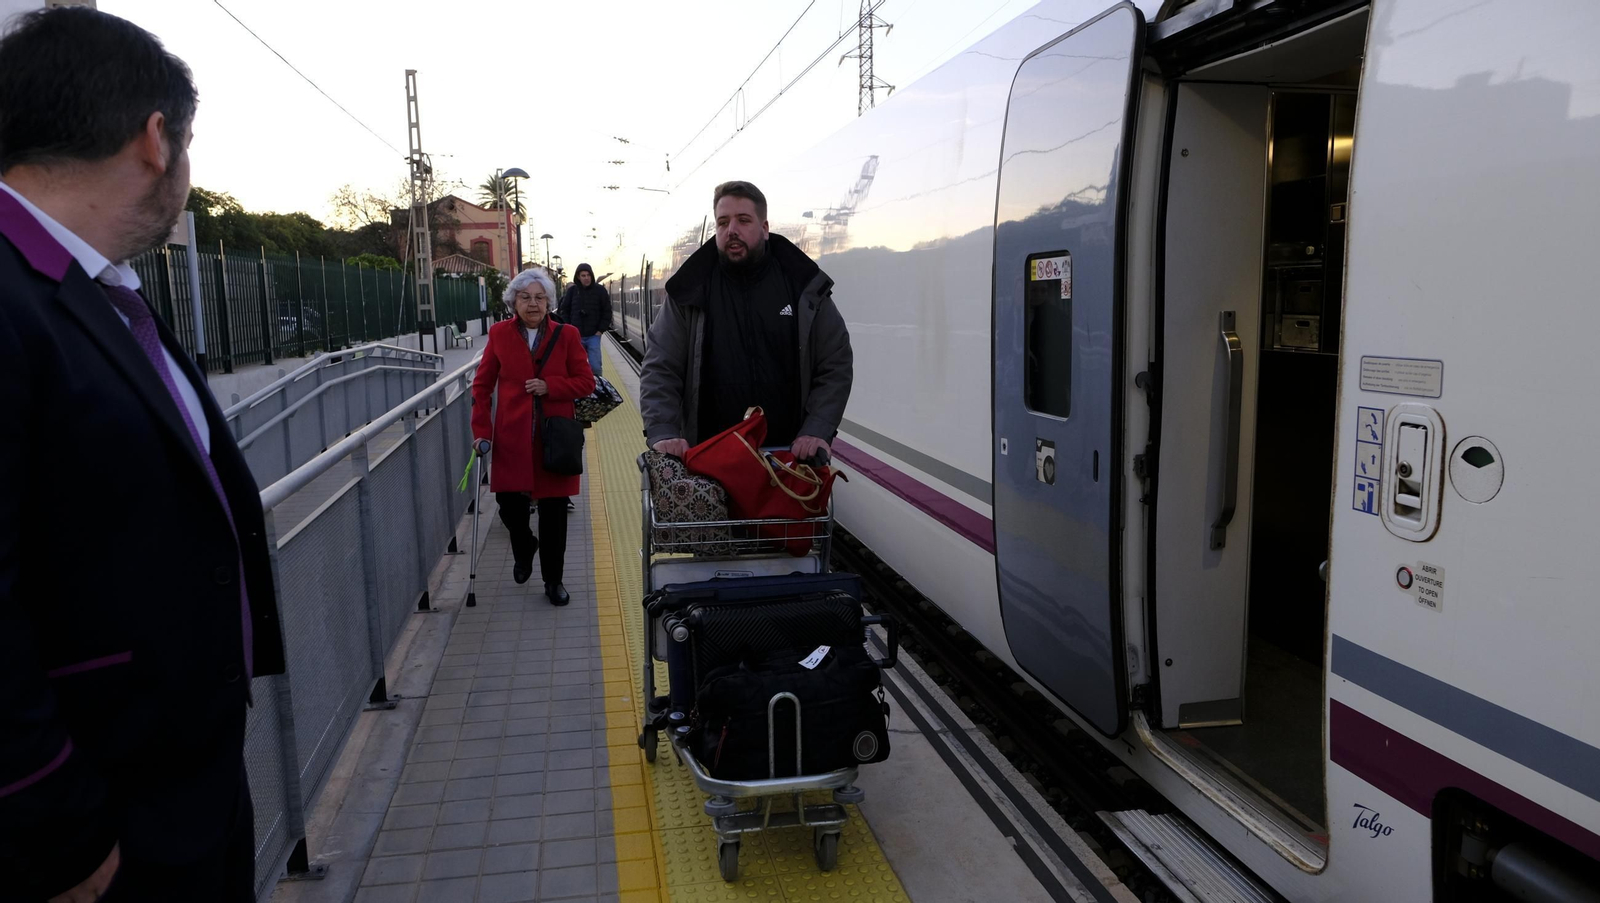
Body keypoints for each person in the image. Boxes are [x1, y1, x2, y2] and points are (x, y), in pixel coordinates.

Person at [0, 9, 286, 902]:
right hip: (101, 831)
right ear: (157, 139)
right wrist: (64, 834)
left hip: (174, 788)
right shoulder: (14, 301)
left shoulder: (90, 285)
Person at [640, 180, 853, 461]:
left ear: (764, 229)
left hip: (788, 463)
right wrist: (664, 431)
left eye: (743, 220)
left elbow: (834, 363)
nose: (732, 231)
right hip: (708, 461)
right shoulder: (689, 292)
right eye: (723, 222)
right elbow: (661, 367)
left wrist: (817, 429)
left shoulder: (802, 286)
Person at [471, 267, 595, 605]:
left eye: (540, 298)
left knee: (554, 514)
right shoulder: (499, 334)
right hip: (512, 438)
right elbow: (481, 387)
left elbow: (586, 382)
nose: (533, 304)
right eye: (525, 297)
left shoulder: (567, 335)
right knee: (509, 506)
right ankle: (524, 545)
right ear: (513, 301)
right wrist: (482, 432)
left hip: (555, 440)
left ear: (549, 303)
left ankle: (553, 581)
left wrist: (550, 386)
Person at [558, 262, 611, 377]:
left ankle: (598, 388)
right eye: (583, 275)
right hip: (576, 336)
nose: (586, 278)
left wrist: (600, 330)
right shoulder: (572, 292)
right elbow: (564, 310)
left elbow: (607, 311)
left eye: (588, 275)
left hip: (594, 336)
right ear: (578, 277)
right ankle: (581, 388)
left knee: (596, 367)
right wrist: (569, 327)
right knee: (576, 366)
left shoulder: (600, 291)